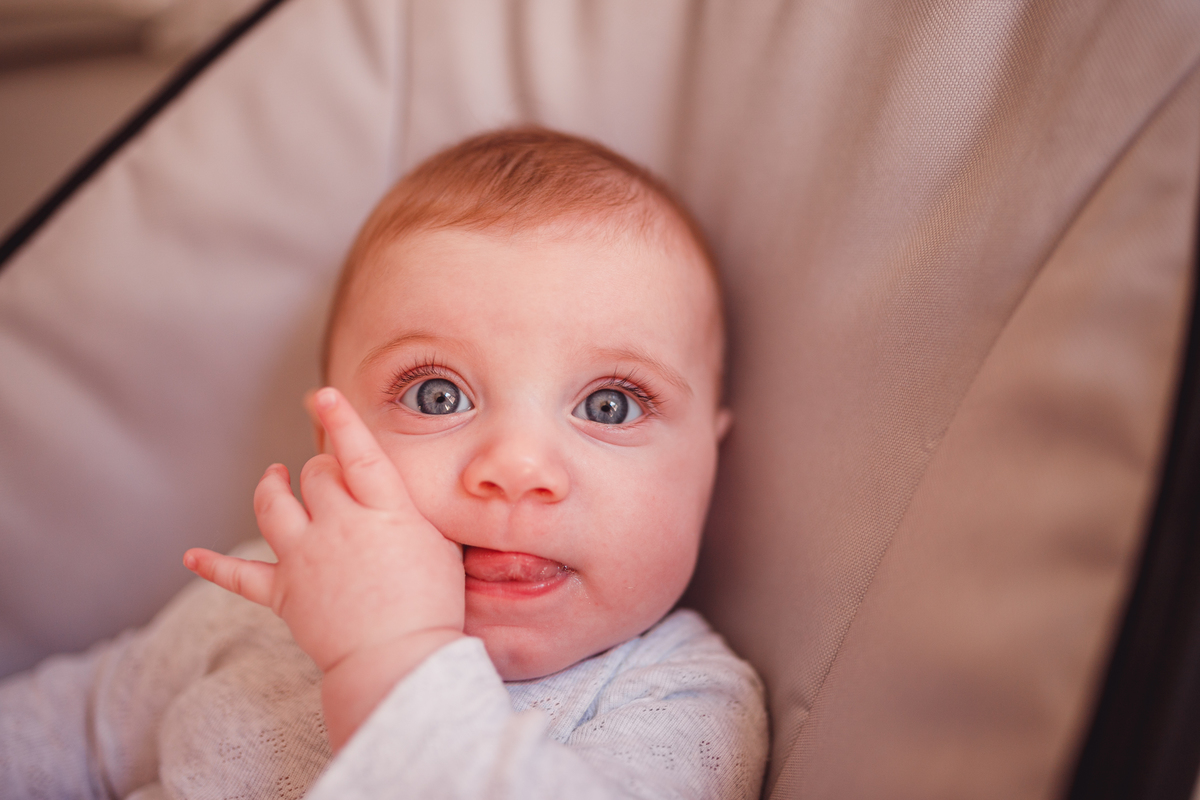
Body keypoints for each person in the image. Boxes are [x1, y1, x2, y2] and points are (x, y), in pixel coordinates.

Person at [0, 127, 767, 799]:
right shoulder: (262, 599)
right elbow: (60, 734)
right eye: (437, 395)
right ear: (333, 439)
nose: (517, 466)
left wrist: (393, 660)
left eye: (611, 406)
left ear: (709, 461)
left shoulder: (681, 701)